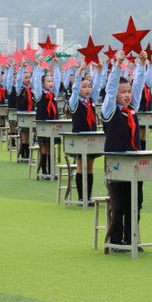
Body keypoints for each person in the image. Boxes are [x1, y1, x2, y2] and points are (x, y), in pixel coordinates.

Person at [100, 49, 148, 249]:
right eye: (124, 92)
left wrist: (141, 65)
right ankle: (115, 239)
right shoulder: (109, 111)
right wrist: (117, 65)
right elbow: (111, 91)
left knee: (136, 202)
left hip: (134, 162)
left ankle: (132, 238)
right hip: (117, 164)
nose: (128, 95)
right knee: (119, 205)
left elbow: (138, 86)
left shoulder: (132, 109)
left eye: (128, 92)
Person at [68, 61, 99, 205]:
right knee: (81, 165)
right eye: (84, 87)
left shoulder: (91, 101)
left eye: (89, 87)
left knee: (90, 166)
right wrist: (79, 71)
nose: (88, 89)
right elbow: (74, 90)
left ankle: (89, 195)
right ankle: (82, 197)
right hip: (80, 138)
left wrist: (99, 70)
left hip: (92, 137)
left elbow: (99, 85)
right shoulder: (75, 102)